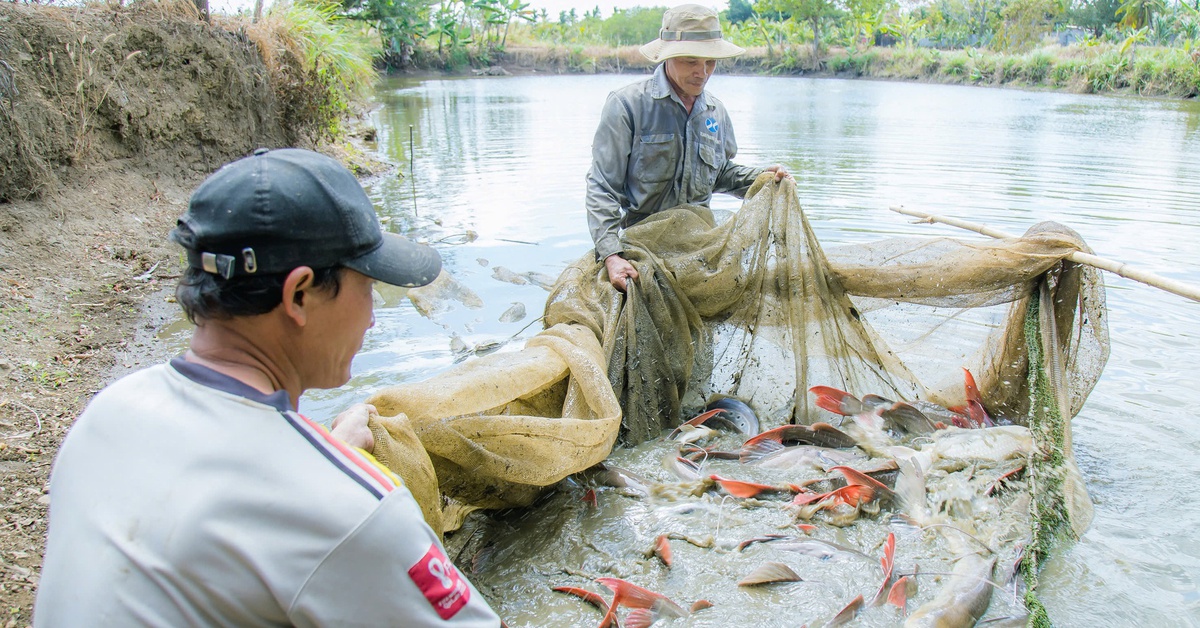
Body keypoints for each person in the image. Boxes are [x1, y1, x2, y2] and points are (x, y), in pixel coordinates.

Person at [35, 148, 501, 627]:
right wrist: (339, 484)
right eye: (367, 287)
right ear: (299, 294)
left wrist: (329, 459)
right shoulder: (355, 512)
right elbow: (318, 517)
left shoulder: (108, 414)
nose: (373, 317)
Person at [586, 3, 791, 292]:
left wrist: (761, 178)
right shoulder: (627, 105)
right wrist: (611, 255)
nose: (702, 72)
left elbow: (719, 175)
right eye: (691, 61)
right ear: (668, 57)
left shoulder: (715, 112)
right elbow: (602, 186)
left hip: (699, 253)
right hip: (641, 254)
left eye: (710, 62)